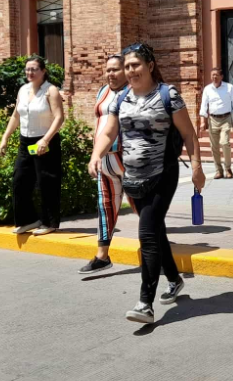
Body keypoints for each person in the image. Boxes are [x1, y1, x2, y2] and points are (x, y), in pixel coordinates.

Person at [88, 42, 205, 324]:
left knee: (147, 235)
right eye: (127, 66)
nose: (130, 71)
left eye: (135, 65)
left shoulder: (168, 95)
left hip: (163, 174)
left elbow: (189, 134)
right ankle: (175, 279)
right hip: (133, 178)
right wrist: (95, 155)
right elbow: (108, 131)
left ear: (150, 66)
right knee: (154, 230)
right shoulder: (121, 98)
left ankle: (145, 303)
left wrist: (198, 168)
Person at [0, 56, 65, 236]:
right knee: (19, 180)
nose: (30, 72)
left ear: (43, 71)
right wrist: (5, 138)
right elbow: (15, 116)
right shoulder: (23, 90)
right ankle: (28, 219)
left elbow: (59, 117)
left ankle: (48, 222)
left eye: (34, 69)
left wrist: (45, 140)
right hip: (25, 141)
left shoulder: (50, 91)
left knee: (46, 182)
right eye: (28, 69)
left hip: (45, 141)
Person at [79, 54, 129, 274]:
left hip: (129, 159)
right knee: (105, 206)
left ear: (126, 70)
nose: (110, 73)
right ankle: (102, 256)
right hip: (105, 160)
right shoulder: (102, 91)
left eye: (115, 69)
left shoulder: (135, 92)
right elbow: (99, 124)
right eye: (108, 69)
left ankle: (159, 250)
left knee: (146, 208)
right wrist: (95, 152)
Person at [198, 68, 233, 179]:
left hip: (226, 119)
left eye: (217, 75)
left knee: (224, 142)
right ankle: (219, 170)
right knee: (214, 146)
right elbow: (204, 106)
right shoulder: (207, 89)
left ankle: (228, 168)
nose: (214, 77)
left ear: (221, 76)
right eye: (212, 75)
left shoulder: (229, 88)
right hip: (212, 120)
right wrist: (203, 122)